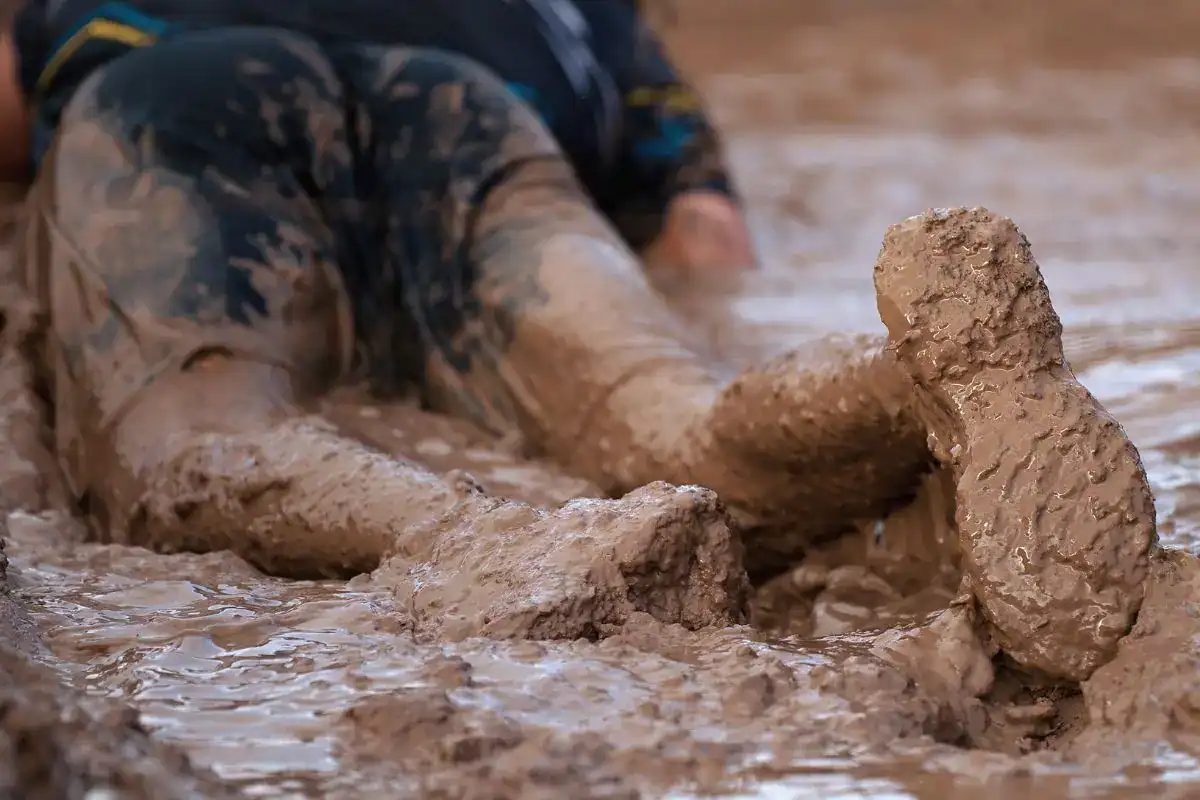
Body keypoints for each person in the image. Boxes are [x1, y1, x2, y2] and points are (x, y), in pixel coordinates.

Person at [0, 0, 933, 581]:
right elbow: (708, 238)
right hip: (473, 110)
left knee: (198, 443)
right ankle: (928, 379)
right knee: (666, 419)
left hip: (179, 87)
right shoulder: (601, 21)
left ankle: (473, 536)